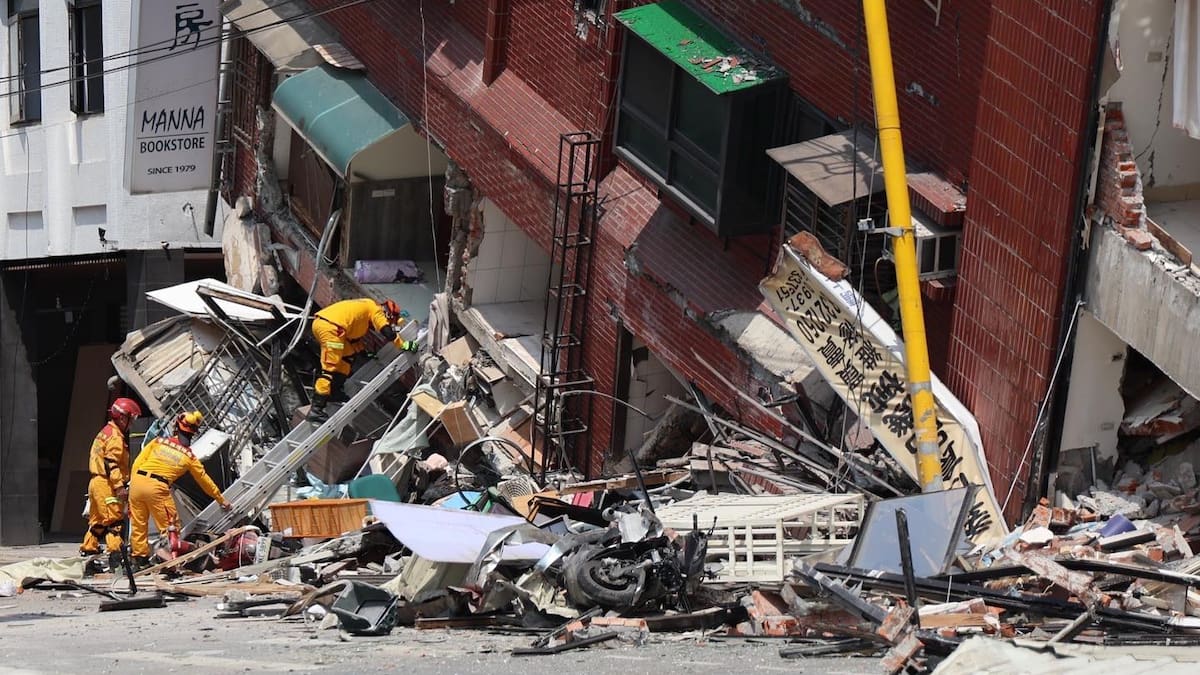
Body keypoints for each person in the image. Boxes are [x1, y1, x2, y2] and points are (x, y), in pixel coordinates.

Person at [128, 410, 231, 569]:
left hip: (137, 483)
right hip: (157, 487)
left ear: (176, 427)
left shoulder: (158, 442)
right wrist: (221, 500)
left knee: (139, 525)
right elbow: (204, 480)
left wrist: (133, 485)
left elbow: (137, 463)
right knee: (170, 528)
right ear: (194, 433)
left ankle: (138, 561)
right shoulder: (189, 456)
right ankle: (171, 562)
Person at [309, 297, 417, 421]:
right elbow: (387, 331)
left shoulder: (365, 308)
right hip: (332, 329)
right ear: (388, 314)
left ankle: (334, 392)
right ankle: (316, 409)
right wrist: (404, 345)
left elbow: (354, 339)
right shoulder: (376, 311)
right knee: (330, 369)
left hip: (332, 327)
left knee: (347, 359)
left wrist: (365, 353)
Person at [80, 397, 142, 559]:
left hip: (96, 483)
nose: (132, 424)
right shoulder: (115, 437)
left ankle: (89, 549)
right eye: (131, 419)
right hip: (106, 484)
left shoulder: (106, 432)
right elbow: (111, 463)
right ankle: (116, 556)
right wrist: (119, 487)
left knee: (98, 522)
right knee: (114, 522)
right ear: (122, 418)